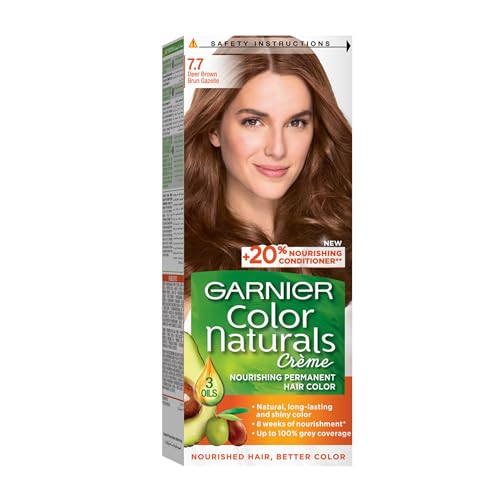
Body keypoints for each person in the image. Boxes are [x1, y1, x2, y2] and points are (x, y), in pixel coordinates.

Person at [184, 37, 352, 335]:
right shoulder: (183, 268)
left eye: (296, 123)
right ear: (214, 129)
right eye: (253, 122)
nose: (277, 149)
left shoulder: (345, 247)